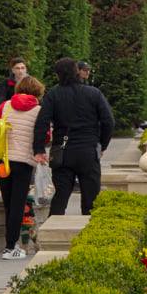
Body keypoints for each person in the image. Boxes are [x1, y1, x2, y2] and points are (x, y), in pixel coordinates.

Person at [33, 56, 115, 216]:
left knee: (59, 199)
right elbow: (109, 122)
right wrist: (102, 145)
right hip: (88, 150)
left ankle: (53, 234)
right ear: (77, 71)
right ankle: (88, 237)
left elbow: (42, 123)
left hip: (62, 152)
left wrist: (39, 149)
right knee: (91, 200)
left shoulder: (54, 94)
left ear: (58, 75)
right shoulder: (94, 93)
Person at [0, 74, 45, 260]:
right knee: (18, 204)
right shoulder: (39, 110)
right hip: (23, 162)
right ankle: (10, 247)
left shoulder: (5, 106)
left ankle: (10, 244)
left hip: (2, 161)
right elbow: (45, 136)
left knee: (8, 203)